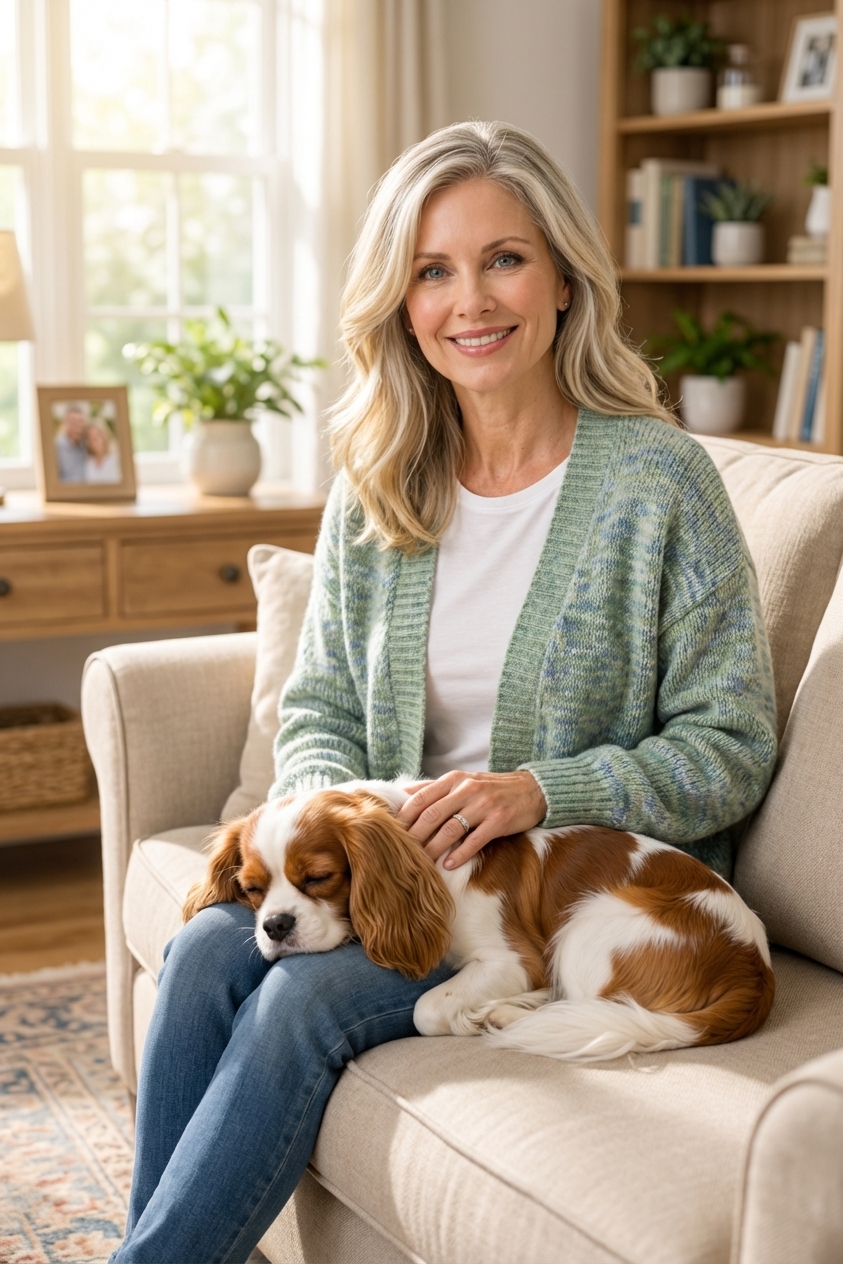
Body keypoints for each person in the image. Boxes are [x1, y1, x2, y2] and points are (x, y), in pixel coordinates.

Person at [111, 121, 777, 1262]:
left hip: (516, 899)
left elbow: (731, 744)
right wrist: (339, 826)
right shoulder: (379, 481)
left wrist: (538, 788)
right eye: (433, 269)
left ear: (564, 278)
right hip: (379, 865)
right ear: (402, 302)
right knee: (203, 955)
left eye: (503, 258)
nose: (471, 299)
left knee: (292, 1001)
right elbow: (318, 704)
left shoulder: (660, 481)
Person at [54, 406, 89, 482]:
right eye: (73, 422)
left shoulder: (87, 445)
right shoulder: (56, 447)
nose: (77, 426)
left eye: (80, 422)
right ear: (65, 424)